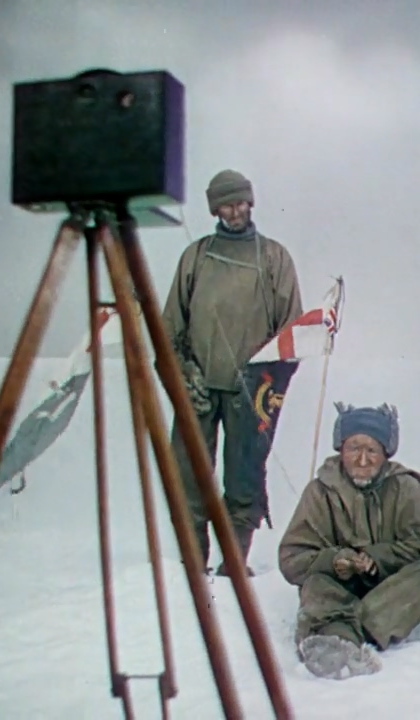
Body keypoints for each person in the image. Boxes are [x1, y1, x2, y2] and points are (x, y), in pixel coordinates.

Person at [160, 168, 303, 576]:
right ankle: (193, 563)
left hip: (251, 390)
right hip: (200, 389)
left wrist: (264, 382)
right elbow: (172, 326)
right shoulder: (196, 257)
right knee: (189, 476)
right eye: (226, 203)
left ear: (251, 203)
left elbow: (290, 331)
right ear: (214, 209)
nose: (234, 210)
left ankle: (234, 563)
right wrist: (185, 375)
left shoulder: (274, 257)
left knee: (244, 476)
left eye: (240, 202)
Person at [278, 402, 420, 680]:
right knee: (316, 584)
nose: (363, 460)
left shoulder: (406, 488)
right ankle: (341, 642)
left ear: (385, 454)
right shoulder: (320, 491)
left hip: (390, 591)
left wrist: (376, 560)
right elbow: (291, 559)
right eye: (354, 448)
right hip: (339, 588)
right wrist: (334, 560)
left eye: (372, 451)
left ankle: (341, 635)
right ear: (341, 450)